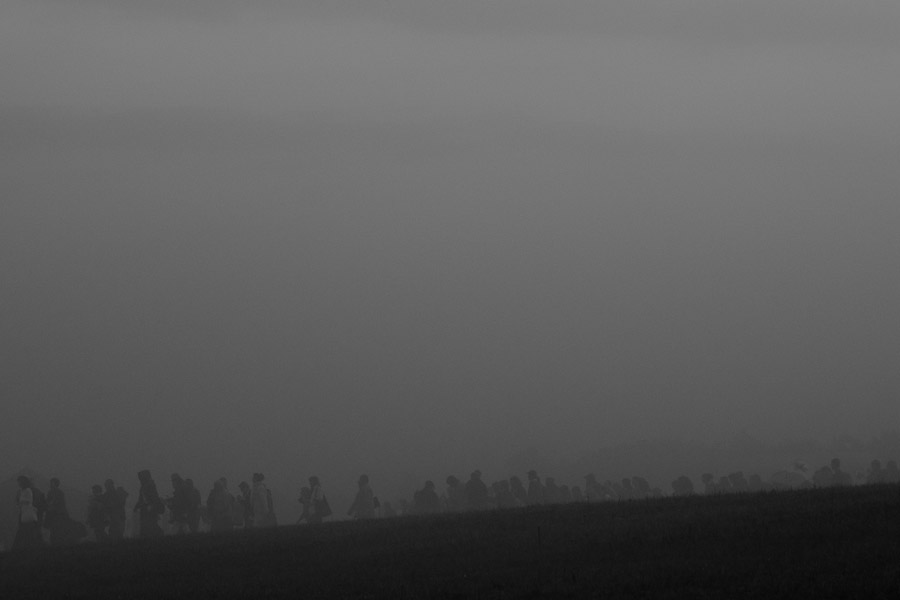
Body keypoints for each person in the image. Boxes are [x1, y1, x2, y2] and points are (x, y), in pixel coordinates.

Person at [13, 475, 42, 550]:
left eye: (19, 482)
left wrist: (21, 501)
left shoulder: (28, 490)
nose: (18, 483)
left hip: (27, 513)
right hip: (23, 513)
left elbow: (29, 501)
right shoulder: (21, 491)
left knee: (28, 530)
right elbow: (18, 503)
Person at [134, 470, 164, 538]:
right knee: (149, 529)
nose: (140, 480)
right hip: (147, 512)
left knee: (149, 529)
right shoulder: (146, 486)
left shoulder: (149, 486)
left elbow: (153, 499)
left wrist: (139, 506)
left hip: (148, 512)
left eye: (141, 478)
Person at [44, 478, 70, 545]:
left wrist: (51, 505)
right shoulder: (50, 492)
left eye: (51, 483)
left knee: (57, 530)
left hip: (58, 515)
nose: (50, 484)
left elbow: (60, 503)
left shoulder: (59, 492)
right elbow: (47, 502)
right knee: (53, 530)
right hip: (52, 514)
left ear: (54, 483)